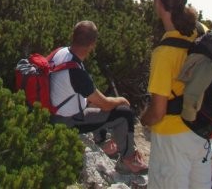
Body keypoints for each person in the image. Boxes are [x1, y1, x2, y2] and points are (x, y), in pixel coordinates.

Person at [140, 0, 212, 189]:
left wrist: (143, 120)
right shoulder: (202, 32)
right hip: (202, 128)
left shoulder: (164, 53)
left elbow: (158, 111)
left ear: (158, 1)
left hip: (172, 136)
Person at [49, 20, 148, 175]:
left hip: (52, 113)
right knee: (124, 113)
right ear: (92, 45)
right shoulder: (76, 72)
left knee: (94, 106)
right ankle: (128, 160)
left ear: (73, 36)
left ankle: (106, 145)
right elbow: (106, 104)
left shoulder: (60, 53)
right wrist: (122, 100)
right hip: (67, 122)